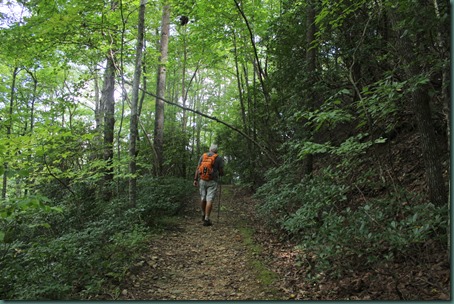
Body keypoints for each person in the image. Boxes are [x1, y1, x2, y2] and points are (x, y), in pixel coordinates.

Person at [193, 144, 224, 226]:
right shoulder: (218, 158)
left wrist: (195, 179)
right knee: (209, 199)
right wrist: (221, 173)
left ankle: (203, 214)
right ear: (216, 150)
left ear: (210, 149)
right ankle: (207, 219)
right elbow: (221, 171)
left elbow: (198, 168)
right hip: (212, 181)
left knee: (203, 198)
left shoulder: (203, 156)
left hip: (202, 180)